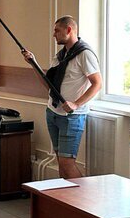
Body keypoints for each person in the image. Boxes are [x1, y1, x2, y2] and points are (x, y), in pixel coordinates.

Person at [21, 16, 102, 179]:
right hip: (52, 112)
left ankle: (83, 195)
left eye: (57, 30)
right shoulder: (60, 56)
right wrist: (33, 63)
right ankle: (65, 195)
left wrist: (76, 104)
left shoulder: (85, 54)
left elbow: (97, 84)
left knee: (67, 163)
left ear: (69, 30)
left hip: (71, 117)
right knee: (61, 162)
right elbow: (49, 85)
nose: (54, 34)